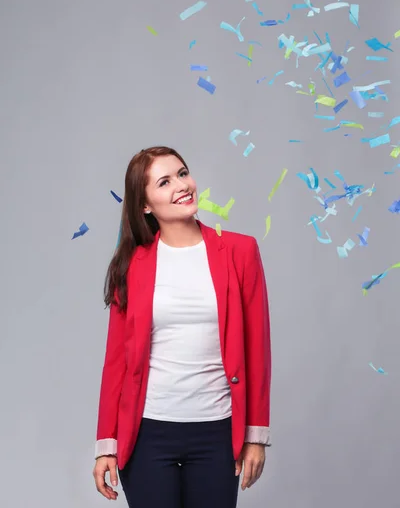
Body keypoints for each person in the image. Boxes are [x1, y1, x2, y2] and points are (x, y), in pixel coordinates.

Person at [92, 146, 272, 508]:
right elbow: (116, 360)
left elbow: (257, 349)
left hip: (218, 434)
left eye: (183, 173)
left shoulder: (241, 251)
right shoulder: (132, 264)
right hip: (146, 435)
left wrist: (255, 436)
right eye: (164, 181)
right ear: (145, 205)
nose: (182, 185)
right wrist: (106, 444)